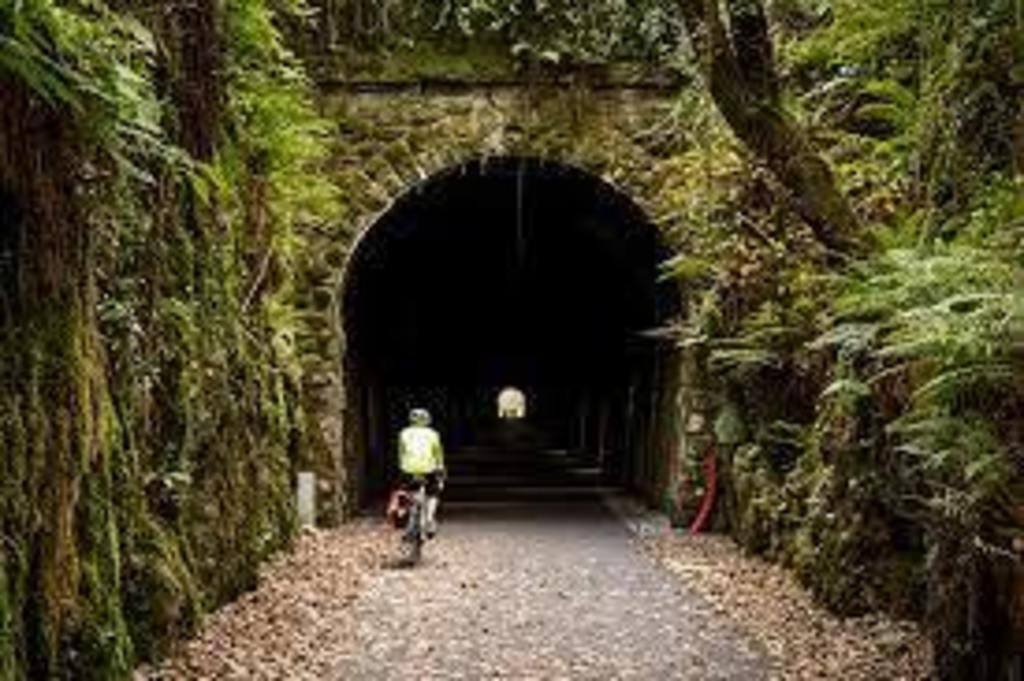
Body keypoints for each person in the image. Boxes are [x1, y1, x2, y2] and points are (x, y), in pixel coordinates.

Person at [398, 408, 445, 537]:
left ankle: (406, 516)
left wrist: (402, 467)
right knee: (434, 493)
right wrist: (441, 469)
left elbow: (401, 454)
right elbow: (438, 455)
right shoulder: (433, 434)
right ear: (428, 421)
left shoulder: (404, 433)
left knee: (406, 491)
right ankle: (429, 519)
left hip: (408, 469)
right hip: (429, 469)